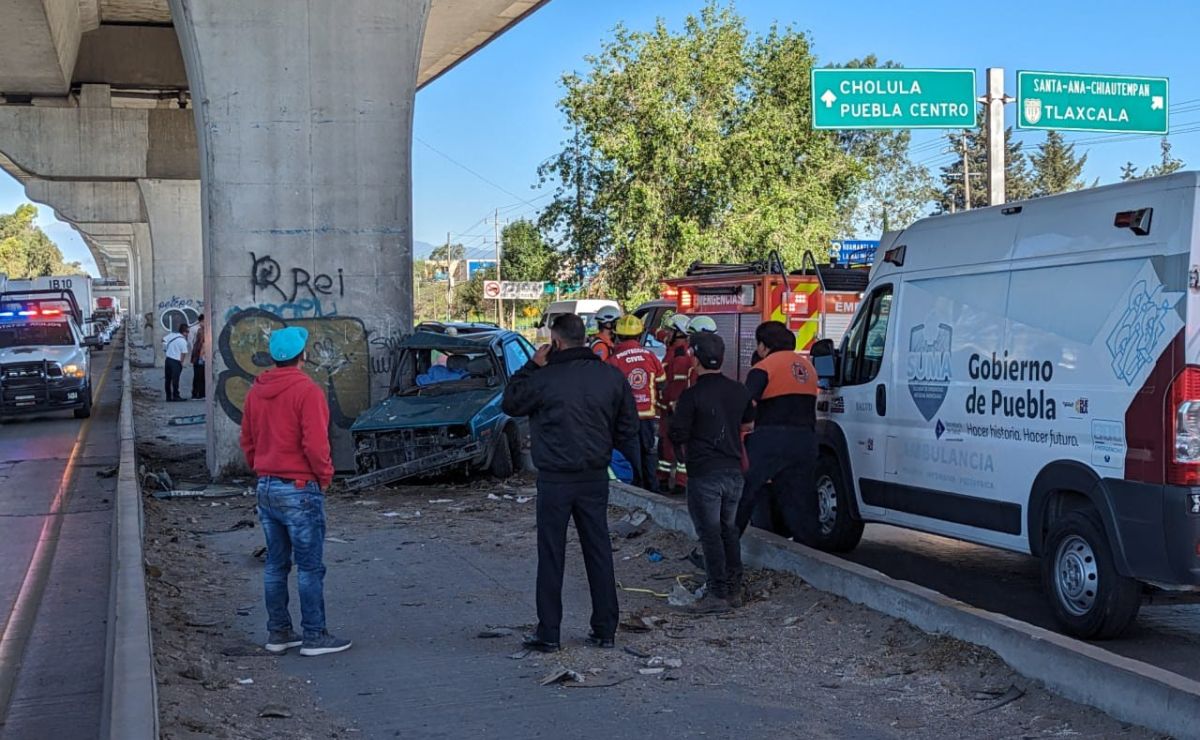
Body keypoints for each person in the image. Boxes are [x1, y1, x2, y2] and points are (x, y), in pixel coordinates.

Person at [502, 313, 640, 653]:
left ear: (557, 341)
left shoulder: (545, 378)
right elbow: (628, 428)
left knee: (552, 555)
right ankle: (605, 630)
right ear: (585, 338)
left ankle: (549, 633)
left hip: (555, 480)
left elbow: (510, 403)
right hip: (595, 477)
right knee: (599, 550)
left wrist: (532, 365)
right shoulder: (611, 377)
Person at [239, 326, 351, 657]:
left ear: (274, 357)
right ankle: (314, 635)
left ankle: (279, 634)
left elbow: (247, 440)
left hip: (267, 485)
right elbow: (316, 443)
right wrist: (325, 476)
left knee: (276, 565)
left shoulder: (256, 391)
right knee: (309, 566)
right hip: (300, 488)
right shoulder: (308, 391)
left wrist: (262, 468)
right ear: (303, 355)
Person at [669, 332, 754, 612]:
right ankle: (733, 590)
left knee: (710, 534)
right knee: (728, 531)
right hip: (733, 473)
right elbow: (748, 426)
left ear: (694, 357)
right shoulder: (740, 390)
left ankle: (717, 594)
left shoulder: (692, 396)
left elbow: (677, 433)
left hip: (705, 474)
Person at [735, 321, 820, 545]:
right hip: (806, 440)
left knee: (745, 492)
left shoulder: (764, 367)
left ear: (763, 346)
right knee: (800, 499)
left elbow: (747, 405)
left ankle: (725, 547)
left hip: (770, 439)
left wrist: (741, 426)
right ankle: (811, 556)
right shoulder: (808, 368)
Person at [609, 314, 666, 492]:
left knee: (629, 457)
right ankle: (653, 490)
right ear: (640, 335)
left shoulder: (615, 360)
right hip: (647, 416)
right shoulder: (649, 356)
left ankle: (635, 490)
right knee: (648, 453)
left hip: (626, 419)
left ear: (618, 336)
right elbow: (662, 380)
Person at [658, 314, 694, 492]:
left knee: (677, 446)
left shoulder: (679, 356)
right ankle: (664, 478)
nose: (667, 333)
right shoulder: (675, 352)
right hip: (669, 409)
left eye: (670, 331)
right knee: (667, 446)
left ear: (677, 333)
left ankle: (680, 482)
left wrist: (673, 406)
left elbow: (678, 386)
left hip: (673, 409)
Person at [162, 323, 188, 402]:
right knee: (175, 379)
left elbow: (163, 340)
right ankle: (176, 396)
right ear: (184, 332)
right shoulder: (183, 341)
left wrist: (166, 348)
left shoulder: (172, 335)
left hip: (168, 359)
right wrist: (181, 362)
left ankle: (168, 396)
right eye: (187, 332)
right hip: (176, 361)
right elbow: (183, 353)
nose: (188, 334)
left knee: (168, 379)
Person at [189, 314, 206, 400]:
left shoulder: (204, 329)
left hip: (203, 356)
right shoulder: (195, 329)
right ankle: (195, 393)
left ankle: (202, 393)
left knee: (203, 376)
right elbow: (191, 342)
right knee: (197, 376)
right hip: (198, 355)